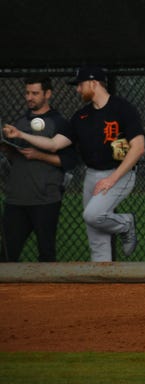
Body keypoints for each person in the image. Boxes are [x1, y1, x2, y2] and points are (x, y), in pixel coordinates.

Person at [3, 66, 145, 262]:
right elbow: (54, 144)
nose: (77, 90)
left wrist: (112, 179)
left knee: (93, 215)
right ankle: (103, 283)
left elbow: (138, 148)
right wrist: (20, 134)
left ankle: (126, 223)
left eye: (80, 85)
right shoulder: (81, 117)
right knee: (96, 237)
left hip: (121, 173)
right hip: (93, 175)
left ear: (93, 83)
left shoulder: (122, 108)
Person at [0, 75, 77, 262]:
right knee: (7, 254)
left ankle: (48, 292)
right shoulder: (19, 123)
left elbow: (65, 159)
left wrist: (39, 155)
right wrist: (7, 148)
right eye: (27, 93)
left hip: (45, 198)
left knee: (46, 254)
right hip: (17, 199)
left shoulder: (59, 123)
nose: (29, 97)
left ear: (48, 94)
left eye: (35, 93)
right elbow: (15, 158)